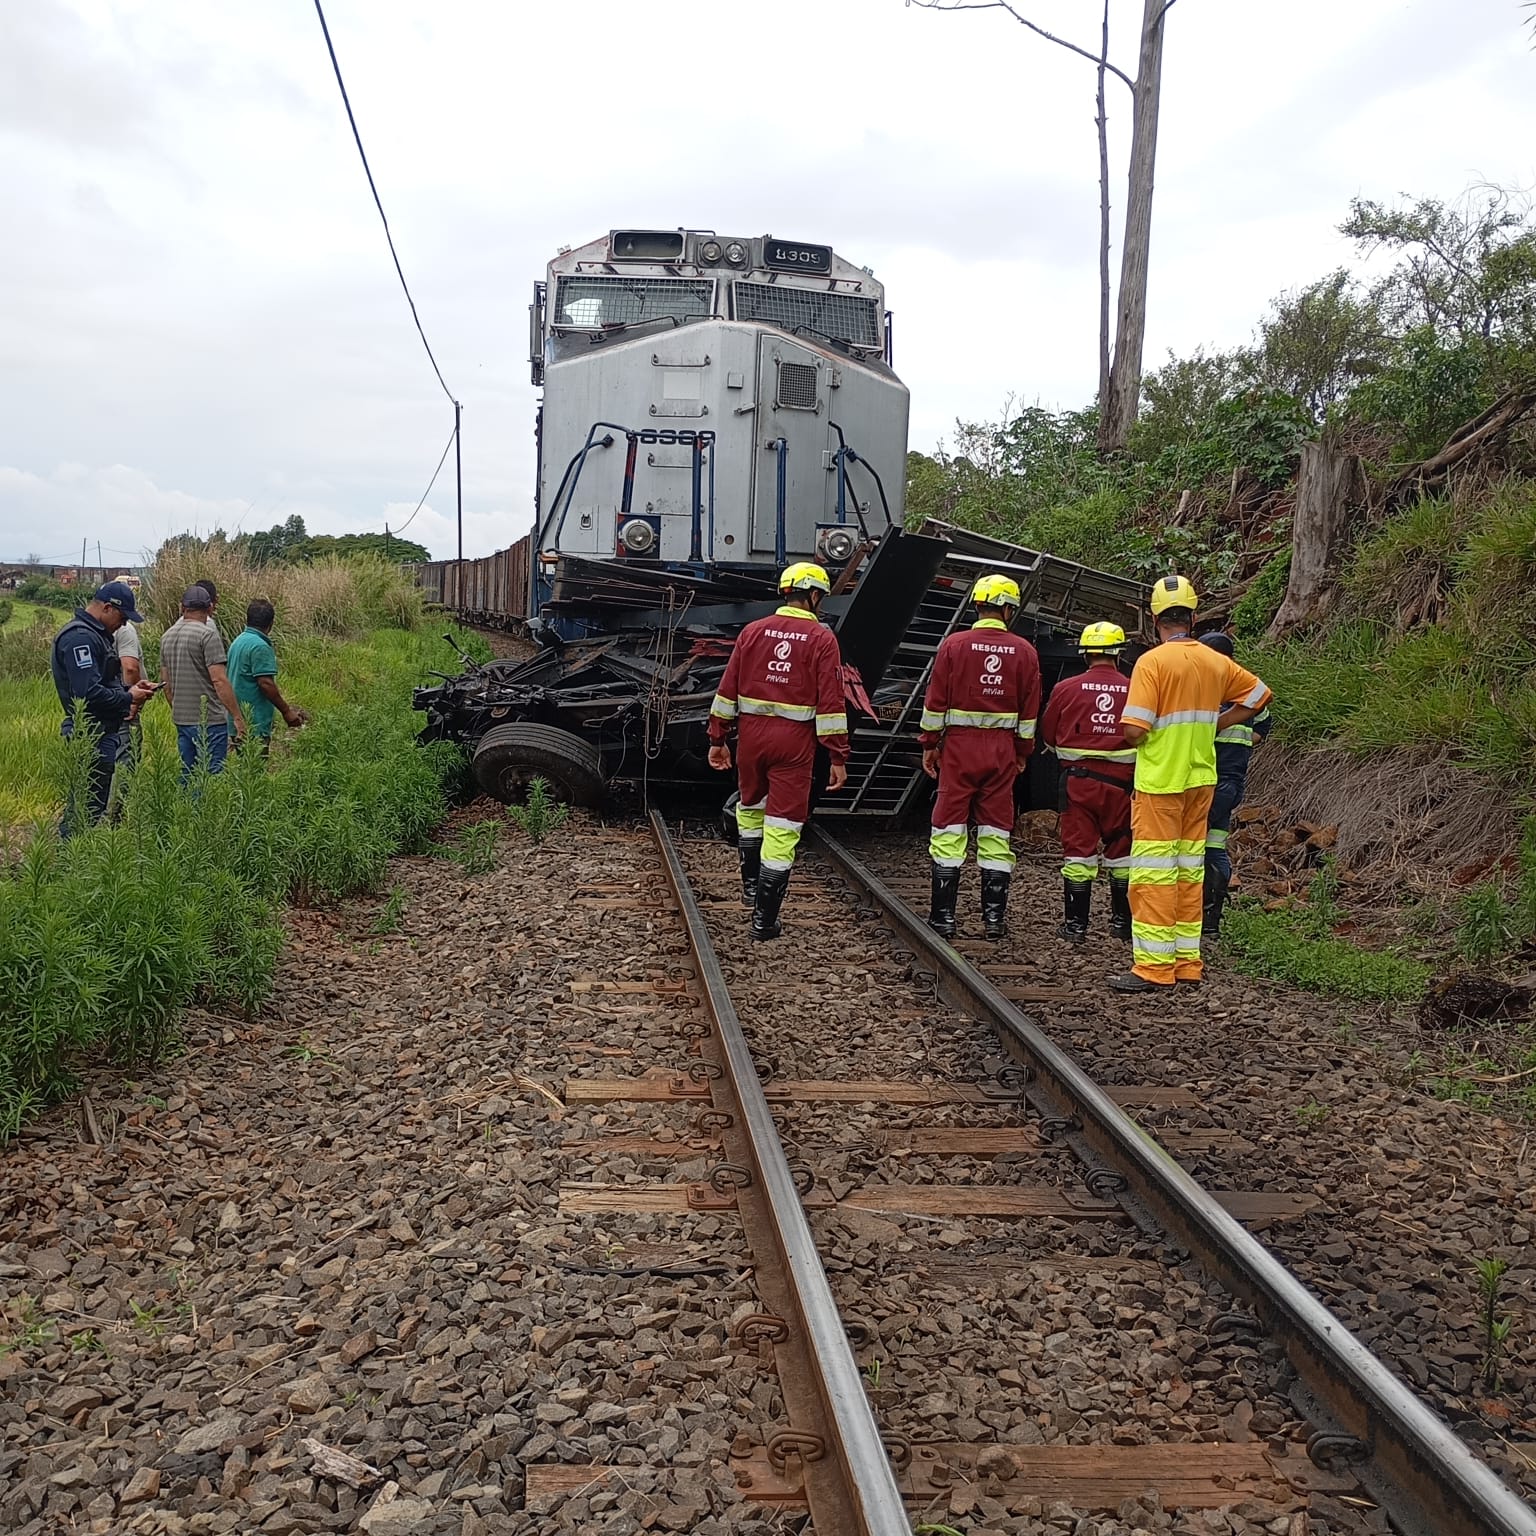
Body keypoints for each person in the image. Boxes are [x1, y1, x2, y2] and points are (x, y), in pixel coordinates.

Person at [1112, 576, 1272, 992]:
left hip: (1161, 781)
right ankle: (1187, 962)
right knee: (1187, 869)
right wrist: (1218, 722)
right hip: (1202, 779)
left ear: (1155, 620)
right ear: (1194, 617)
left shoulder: (1153, 663)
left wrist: (1142, 732)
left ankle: (1153, 967)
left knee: (1154, 874)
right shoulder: (1215, 661)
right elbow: (1259, 695)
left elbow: (1133, 729)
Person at [708, 562, 849, 941]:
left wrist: (718, 739)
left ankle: (752, 888)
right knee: (784, 826)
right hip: (794, 743)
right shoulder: (822, 639)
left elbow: (727, 690)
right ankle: (764, 919)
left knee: (750, 809)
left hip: (751, 738)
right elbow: (831, 703)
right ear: (815, 596)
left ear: (786, 593)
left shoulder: (752, 632)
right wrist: (837, 756)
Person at [920, 573, 1041, 941]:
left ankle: (944, 919)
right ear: (1007, 609)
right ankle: (993, 922)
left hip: (959, 749)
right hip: (1001, 751)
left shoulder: (954, 646)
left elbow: (935, 701)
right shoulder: (1025, 651)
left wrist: (930, 743)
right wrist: (1021, 753)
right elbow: (1029, 713)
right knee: (995, 831)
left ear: (977, 605)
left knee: (948, 828)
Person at [1040, 622, 1136, 944]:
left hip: (1078, 785)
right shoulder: (1135, 688)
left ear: (1085, 654)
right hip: (1124, 786)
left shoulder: (1066, 688)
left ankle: (1076, 927)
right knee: (1122, 852)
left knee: (1078, 853)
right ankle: (1122, 923)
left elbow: (1049, 734)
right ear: (1119, 654)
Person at [50, 580, 158, 835]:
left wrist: (126, 691)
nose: (123, 625)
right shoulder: (80, 639)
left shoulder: (95, 636)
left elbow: (100, 685)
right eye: (122, 618)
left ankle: (76, 858)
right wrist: (128, 697)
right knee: (84, 809)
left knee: (91, 807)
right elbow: (87, 693)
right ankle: (71, 864)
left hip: (100, 732)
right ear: (107, 608)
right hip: (90, 734)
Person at [1198, 630, 1273, 939]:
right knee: (1215, 848)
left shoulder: (1204, 691)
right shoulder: (1246, 692)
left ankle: (1187, 918)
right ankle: (1211, 922)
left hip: (1202, 783)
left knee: (1187, 849)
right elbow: (1263, 727)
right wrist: (1240, 746)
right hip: (1231, 783)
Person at [160, 585, 245, 780]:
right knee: (212, 776)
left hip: (182, 719)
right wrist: (237, 718)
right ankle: (205, 811)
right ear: (209, 608)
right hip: (210, 720)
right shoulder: (207, 635)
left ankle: (186, 810)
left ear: (182, 607)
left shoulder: (167, 636)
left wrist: (177, 708)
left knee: (188, 774)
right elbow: (219, 680)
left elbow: (166, 683)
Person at [226, 598, 308, 754]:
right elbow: (266, 684)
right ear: (270, 624)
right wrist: (286, 712)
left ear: (247, 619)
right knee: (255, 771)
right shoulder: (260, 646)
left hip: (237, 720)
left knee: (244, 769)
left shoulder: (238, 641)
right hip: (253, 723)